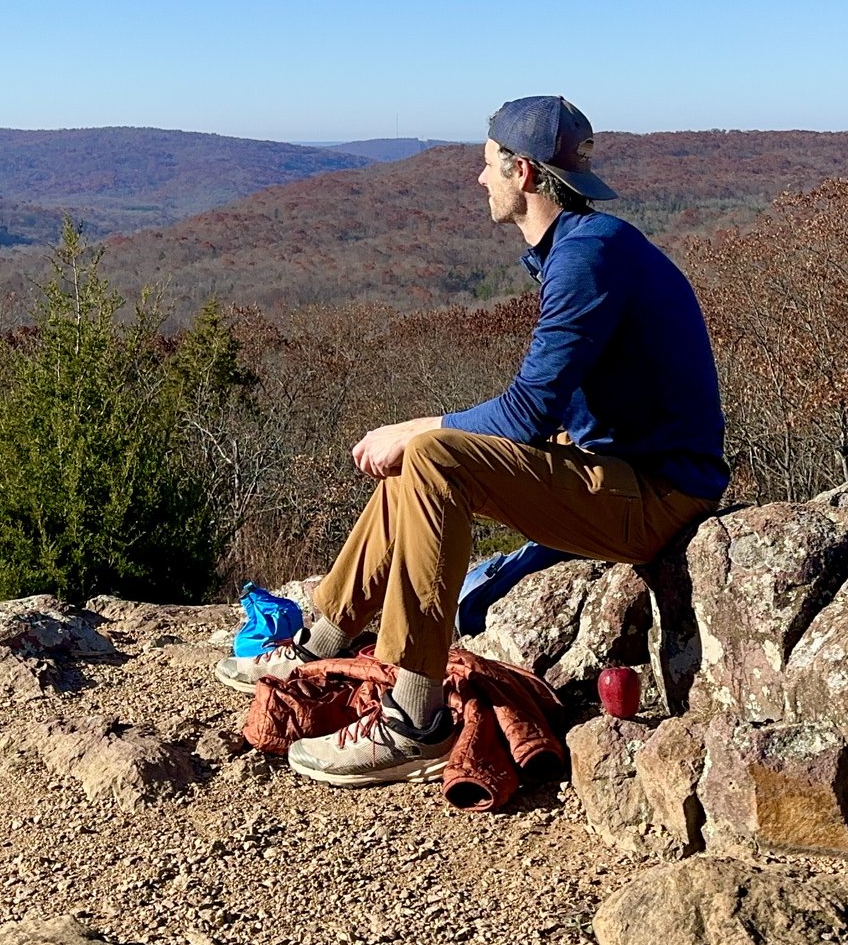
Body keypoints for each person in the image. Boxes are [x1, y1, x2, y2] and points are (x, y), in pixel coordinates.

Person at [218, 95, 728, 787]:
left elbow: (523, 412)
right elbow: (560, 405)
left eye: (486, 164)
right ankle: (323, 641)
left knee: (429, 457)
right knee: (419, 461)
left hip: (658, 496)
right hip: (623, 472)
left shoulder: (588, 258)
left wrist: (415, 426)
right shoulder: (584, 247)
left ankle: (411, 714)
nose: (476, 178)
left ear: (522, 171)